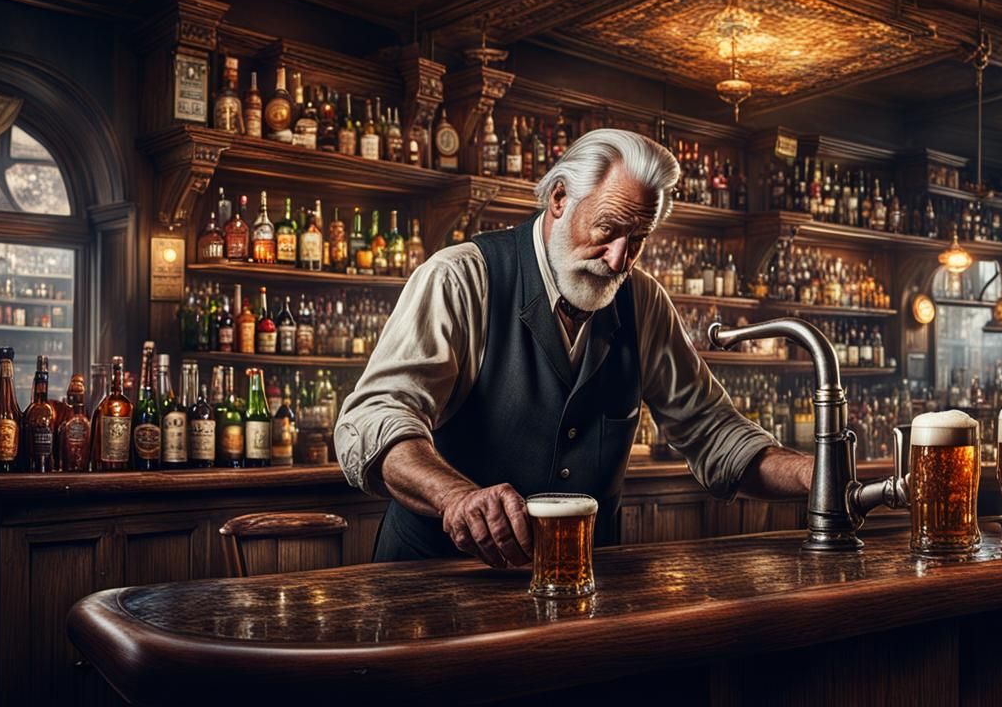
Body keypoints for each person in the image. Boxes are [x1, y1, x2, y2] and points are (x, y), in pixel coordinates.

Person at [334, 129, 813, 566]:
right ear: (560, 198)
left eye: (638, 239)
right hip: (436, 579)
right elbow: (375, 417)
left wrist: (815, 475)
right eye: (608, 229)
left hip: (577, 582)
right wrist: (456, 496)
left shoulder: (642, 301)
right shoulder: (462, 277)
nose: (619, 259)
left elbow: (714, 433)